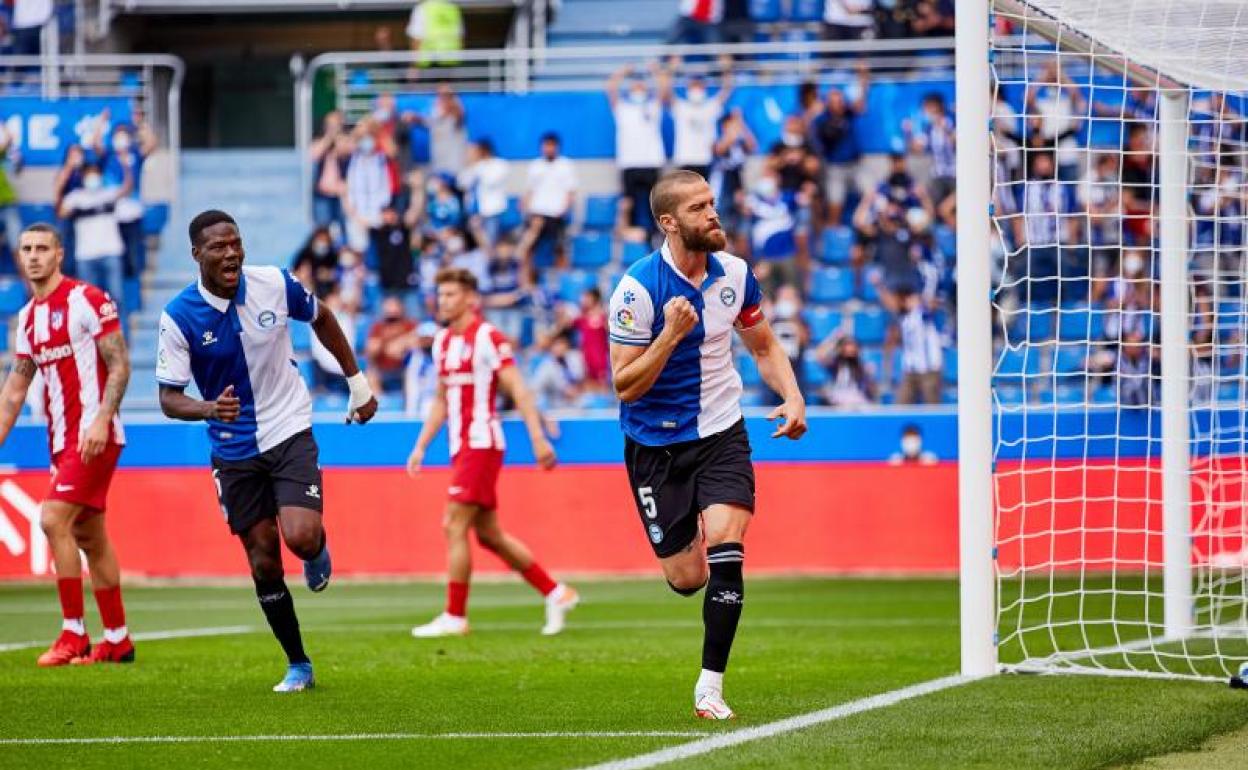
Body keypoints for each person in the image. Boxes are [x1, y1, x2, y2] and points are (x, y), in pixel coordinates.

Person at [607, 170, 807, 719]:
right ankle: (687, 539)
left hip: (722, 431)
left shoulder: (735, 274)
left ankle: (710, 687)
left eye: (712, 202)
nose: (713, 213)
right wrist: (670, 335)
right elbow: (624, 385)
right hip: (655, 445)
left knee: (727, 547)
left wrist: (792, 396)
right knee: (688, 578)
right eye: (698, 208)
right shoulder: (637, 290)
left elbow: (763, 346)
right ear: (669, 223)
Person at [156, 210, 379, 692]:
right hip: (232, 448)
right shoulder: (178, 316)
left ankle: (316, 548)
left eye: (235, 243)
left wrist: (357, 383)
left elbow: (323, 318)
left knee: (299, 537)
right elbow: (169, 398)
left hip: (288, 426)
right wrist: (208, 408)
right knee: (263, 560)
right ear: (197, 255)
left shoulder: (275, 283)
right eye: (218, 247)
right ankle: (298, 663)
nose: (231, 253)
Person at [406, 267, 580, 638]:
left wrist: (538, 439)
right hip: (461, 447)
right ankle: (556, 592)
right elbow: (441, 399)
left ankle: (455, 616)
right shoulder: (441, 342)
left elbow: (518, 388)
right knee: (488, 535)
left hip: (482, 442)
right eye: (441, 295)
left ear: (471, 298)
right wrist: (421, 445)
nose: (443, 301)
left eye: (451, 294)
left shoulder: (488, 337)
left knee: (453, 524)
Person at [0, 224, 133, 666]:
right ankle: (117, 639)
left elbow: (119, 364)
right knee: (90, 537)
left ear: (60, 253)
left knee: (52, 518)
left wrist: (102, 419)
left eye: (42, 248)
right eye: (26, 249)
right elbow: (14, 393)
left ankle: (73, 633)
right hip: (61, 443)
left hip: (95, 436)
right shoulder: (27, 320)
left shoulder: (87, 300)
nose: (34, 255)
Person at [58, 161, 131, 318]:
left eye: (95, 173)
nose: (92, 177)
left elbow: (127, 188)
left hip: (111, 252)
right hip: (86, 256)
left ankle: (122, 333)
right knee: (88, 302)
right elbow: (61, 211)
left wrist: (125, 164)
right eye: (89, 173)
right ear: (83, 176)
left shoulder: (108, 193)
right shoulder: (75, 197)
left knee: (117, 297)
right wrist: (66, 172)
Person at [608, 64, 669, 232]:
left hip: (652, 162)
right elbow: (611, 89)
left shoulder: (653, 106)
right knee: (627, 206)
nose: (638, 87)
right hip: (629, 164)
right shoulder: (622, 108)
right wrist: (622, 72)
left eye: (641, 84)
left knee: (657, 205)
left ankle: (660, 239)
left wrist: (656, 71)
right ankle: (630, 240)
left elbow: (664, 88)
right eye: (635, 84)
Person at [519, 133, 578, 267]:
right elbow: (529, 191)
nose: (549, 148)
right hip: (536, 213)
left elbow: (571, 192)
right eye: (546, 145)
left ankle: (562, 278)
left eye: (552, 145)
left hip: (556, 215)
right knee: (529, 249)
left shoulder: (566, 165)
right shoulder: (535, 165)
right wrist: (525, 206)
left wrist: (564, 210)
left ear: (557, 147)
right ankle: (526, 278)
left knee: (560, 249)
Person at [672, 69, 732, 180]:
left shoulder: (710, 106)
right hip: (686, 159)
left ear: (704, 87)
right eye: (693, 84)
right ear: (688, 87)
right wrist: (671, 69)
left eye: (699, 84)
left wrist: (725, 68)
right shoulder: (681, 106)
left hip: (706, 159)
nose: (696, 87)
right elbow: (666, 93)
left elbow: (727, 90)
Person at [457, 138, 510, 248]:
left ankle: (491, 257)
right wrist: (471, 165)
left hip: (493, 210)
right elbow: (462, 183)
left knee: (491, 240)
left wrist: (477, 167)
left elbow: (490, 182)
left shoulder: (499, 164)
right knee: (480, 240)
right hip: (475, 211)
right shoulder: (476, 167)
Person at [365, 295, 417, 395]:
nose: (391, 309)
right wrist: (389, 347)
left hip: (403, 369)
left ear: (401, 307)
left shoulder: (409, 325)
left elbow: (415, 340)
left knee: (411, 371)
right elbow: (372, 349)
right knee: (370, 374)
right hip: (382, 370)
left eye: (394, 305)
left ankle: (409, 401)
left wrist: (399, 344)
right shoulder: (378, 326)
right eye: (389, 305)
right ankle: (379, 402)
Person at [406, 0, 464, 67]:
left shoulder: (423, 8)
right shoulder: (452, 7)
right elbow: (460, 36)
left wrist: (414, 65)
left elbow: (416, 38)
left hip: (428, 61)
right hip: (450, 59)